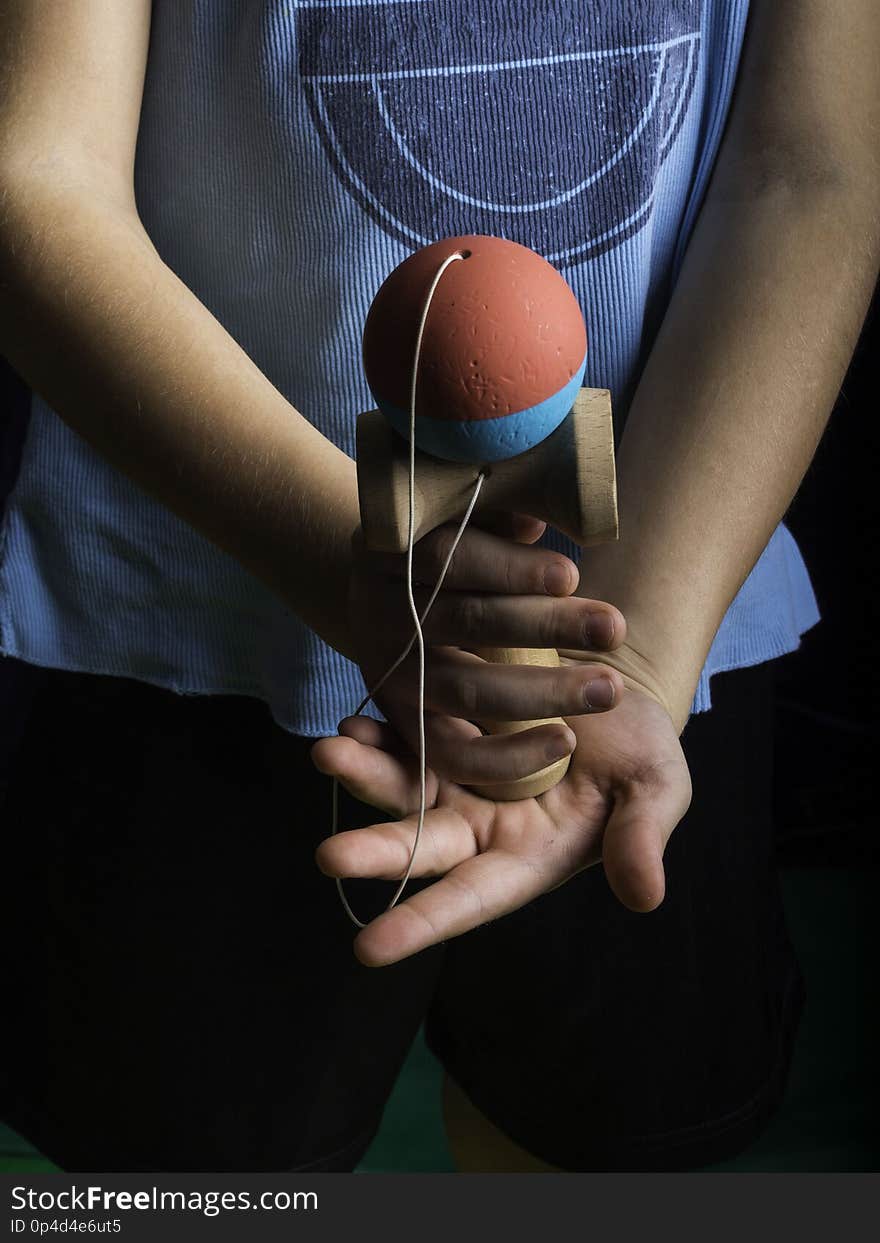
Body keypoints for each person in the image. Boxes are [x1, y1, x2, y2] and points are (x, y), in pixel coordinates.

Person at [0, 0, 876, 1172]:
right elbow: (36, 175)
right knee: (196, 1175)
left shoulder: (643, 649)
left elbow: (811, 170)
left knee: (601, 1154)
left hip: (663, 604)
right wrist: (338, 562)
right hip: (195, 620)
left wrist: (635, 663)